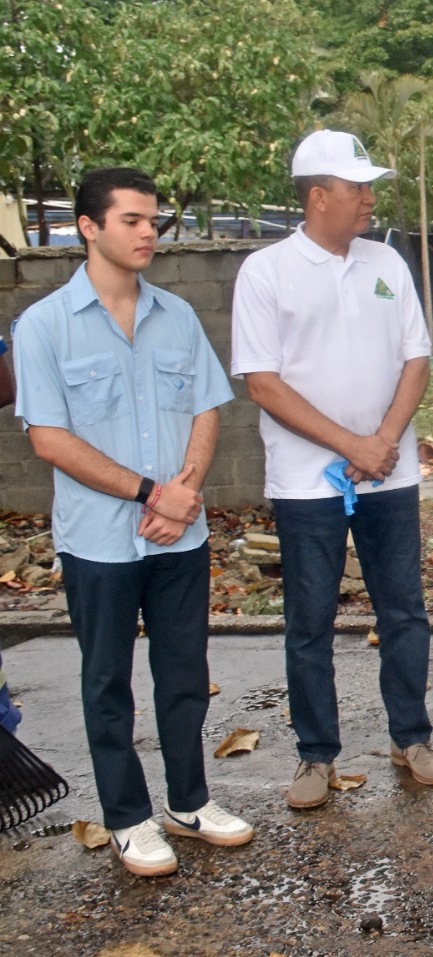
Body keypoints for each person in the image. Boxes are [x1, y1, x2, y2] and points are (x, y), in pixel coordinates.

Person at [13, 167, 251, 875]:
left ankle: (189, 803)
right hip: (100, 542)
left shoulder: (177, 315)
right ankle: (126, 818)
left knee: (184, 676)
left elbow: (206, 407)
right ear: (89, 227)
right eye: (133, 220)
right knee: (107, 684)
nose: (149, 232)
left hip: (180, 535)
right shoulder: (44, 325)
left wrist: (186, 491)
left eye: (154, 221)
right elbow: (49, 439)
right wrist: (154, 493)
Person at [231, 130, 433, 810]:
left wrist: (382, 441)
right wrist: (352, 445)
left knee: (404, 611)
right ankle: (316, 755)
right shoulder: (266, 272)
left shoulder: (386, 261)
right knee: (310, 622)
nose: (369, 198)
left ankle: (411, 738)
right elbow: (262, 382)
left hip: (389, 473)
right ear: (318, 197)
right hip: (307, 484)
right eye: (357, 187)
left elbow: (417, 358)